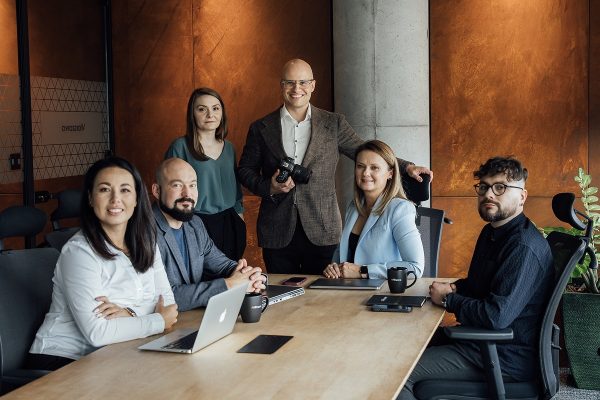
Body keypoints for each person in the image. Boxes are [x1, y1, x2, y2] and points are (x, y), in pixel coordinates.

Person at [238, 58, 433, 275]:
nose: (297, 89)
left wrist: (406, 167)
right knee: (283, 296)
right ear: (281, 85)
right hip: (277, 230)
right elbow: (245, 171)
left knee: (324, 299)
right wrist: (270, 187)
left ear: (313, 85)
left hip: (322, 228)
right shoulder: (261, 127)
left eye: (303, 82)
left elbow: (366, 151)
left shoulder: (333, 123)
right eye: (290, 82)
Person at [398, 156, 554, 399]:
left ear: (522, 196)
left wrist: (449, 299)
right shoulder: (492, 231)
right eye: (483, 187)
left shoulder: (523, 246)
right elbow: (478, 286)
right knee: (400, 347)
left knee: (398, 373)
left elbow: (496, 316)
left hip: (501, 356)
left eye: (500, 187)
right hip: (480, 343)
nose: (489, 194)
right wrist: (454, 287)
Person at [27, 157, 178, 371]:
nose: (116, 199)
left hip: (116, 354)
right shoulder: (79, 252)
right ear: (90, 198)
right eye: (105, 189)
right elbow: (98, 333)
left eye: (125, 190)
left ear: (137, 198)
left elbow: (169, 305)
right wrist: (157, 320)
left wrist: (130, 314)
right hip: (63, 361)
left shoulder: (146, 242)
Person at [152, 157, 266, 311]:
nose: (187, 193)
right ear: (157, 191)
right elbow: (165, 298)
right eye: (177, 185)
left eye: (192, 185)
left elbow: (223, 265)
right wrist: (231, 284)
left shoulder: (195, 224)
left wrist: (250, 276)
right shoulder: (143, 231)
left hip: (195, 320)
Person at [323, 140, 424, 280]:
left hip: (381, 294)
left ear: (390, 173)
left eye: (374, 168)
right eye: (360, 166)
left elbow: (415, 267)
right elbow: (343, 251)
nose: (365, 173)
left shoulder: (400, 209)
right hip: (347, 289)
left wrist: (362, 271)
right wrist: (334, 266)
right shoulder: (353, 206)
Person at [165, 87, 245, 261]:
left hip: (229, 223)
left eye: (215, 108)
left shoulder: (229, 147)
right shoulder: (180, 147)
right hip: (195, 222)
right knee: (203, 279)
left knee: (231, 278)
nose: (210, 114)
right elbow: (168, 192)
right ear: (192, 114)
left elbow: (236, 191)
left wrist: (240, 220)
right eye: (202, 109)